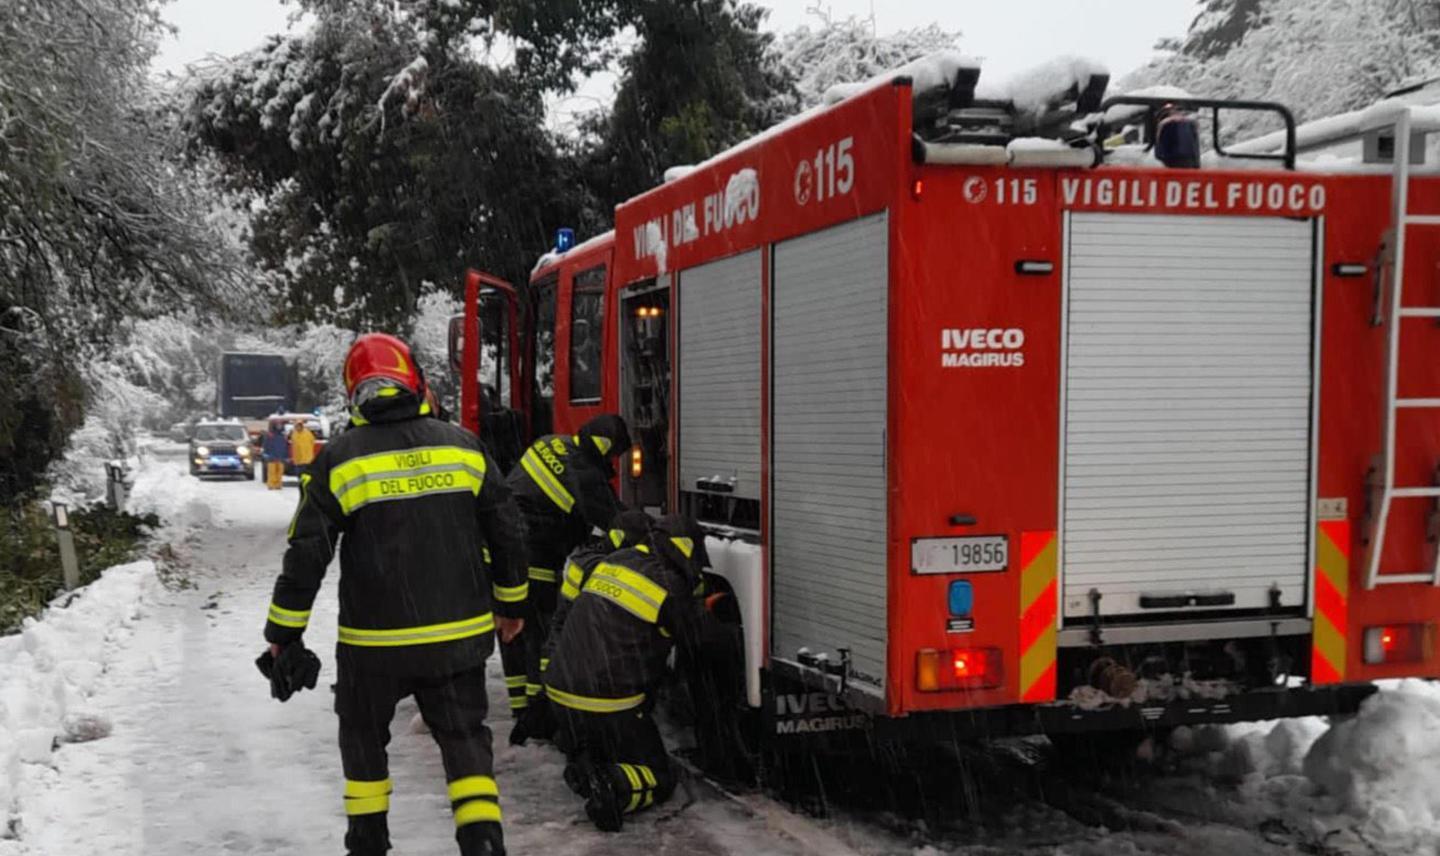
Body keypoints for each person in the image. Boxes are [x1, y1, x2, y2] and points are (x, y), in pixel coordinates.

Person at [260, 332, 528, 856]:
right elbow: (509, 533)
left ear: (353, 394)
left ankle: (368, 841)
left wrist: (283, 634)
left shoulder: (340, 459)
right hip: (458, 639)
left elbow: (306, 555)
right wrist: (512, 604)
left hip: (373, 646)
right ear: (416, 383)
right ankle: (482, 842)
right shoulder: (464, 447)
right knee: (465, 743)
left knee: (362, 740)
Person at [544, 514, 711, 831]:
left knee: (603, 746)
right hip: (606, 702)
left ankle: (588, 767)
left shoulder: (616, 561)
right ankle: (613, 786)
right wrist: (713, 613)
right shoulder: (669, 585)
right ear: (686, 549)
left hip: (560, 692)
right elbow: (696, 638)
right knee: (662, 776)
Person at [500, 413, 630, 726]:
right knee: (541, 632)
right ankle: (538, 711)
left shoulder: (549, 443)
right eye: (614, 454)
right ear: (604, 447)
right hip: (535, 559)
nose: (613, 461)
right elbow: (616, 521)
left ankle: (520, 705)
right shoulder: (585, 474)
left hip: (504, 552)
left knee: (512, 630)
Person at [262, 421, 289, 490]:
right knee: (271, 472)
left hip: (281, 457)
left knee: (279, 472)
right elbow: (265, 445)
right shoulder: (270, 435)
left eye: (280, 425)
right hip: (272, 457)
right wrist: (265, 453)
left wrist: (286, 456)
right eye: (277, 425)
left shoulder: (283, 436)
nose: (279, 426)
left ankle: (278, 485)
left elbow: (286, 447)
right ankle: (271, 485)